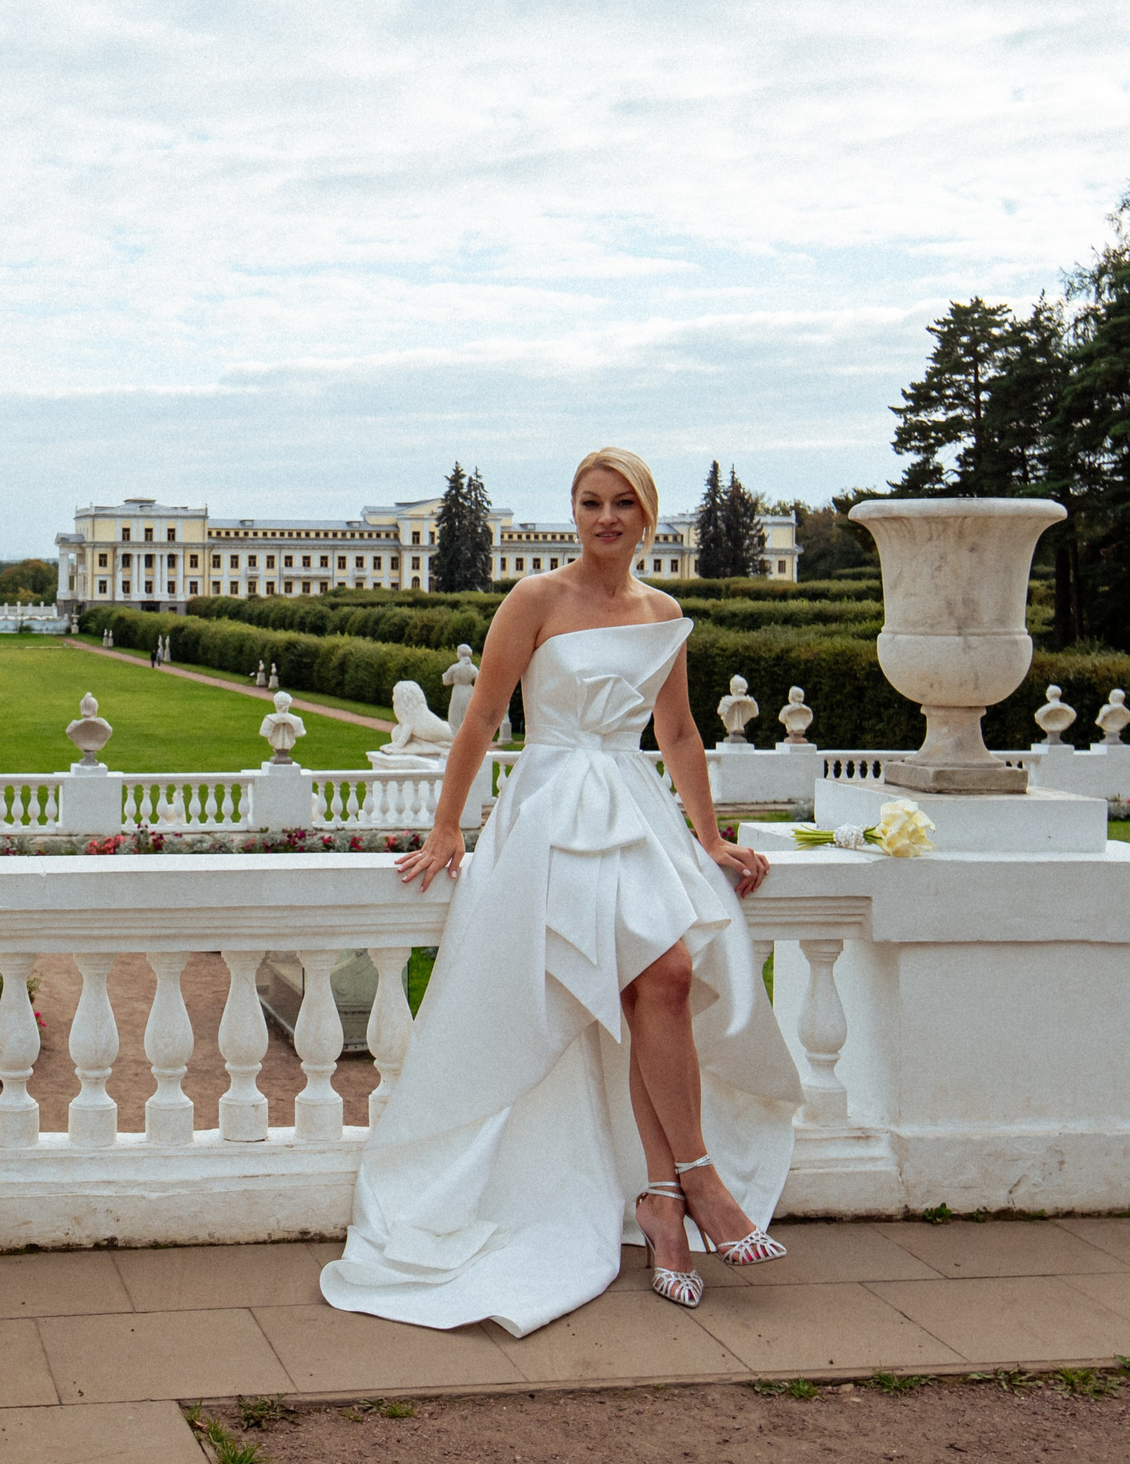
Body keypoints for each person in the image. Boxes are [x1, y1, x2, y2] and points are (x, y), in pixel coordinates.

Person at [321, 447, 798, 1336]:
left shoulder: (664, 613)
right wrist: (446, 824)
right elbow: (481, 718)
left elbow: (682, 731)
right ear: (572, 511)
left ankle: (666, 1197)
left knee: (662, 978)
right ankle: (697, 1185)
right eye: (590, 502)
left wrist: (710, 837)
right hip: (550, 816)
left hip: (631, 809)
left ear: (646, 516)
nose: (605, 517)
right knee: (645, 980)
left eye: (622, 504)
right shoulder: (534, 600)